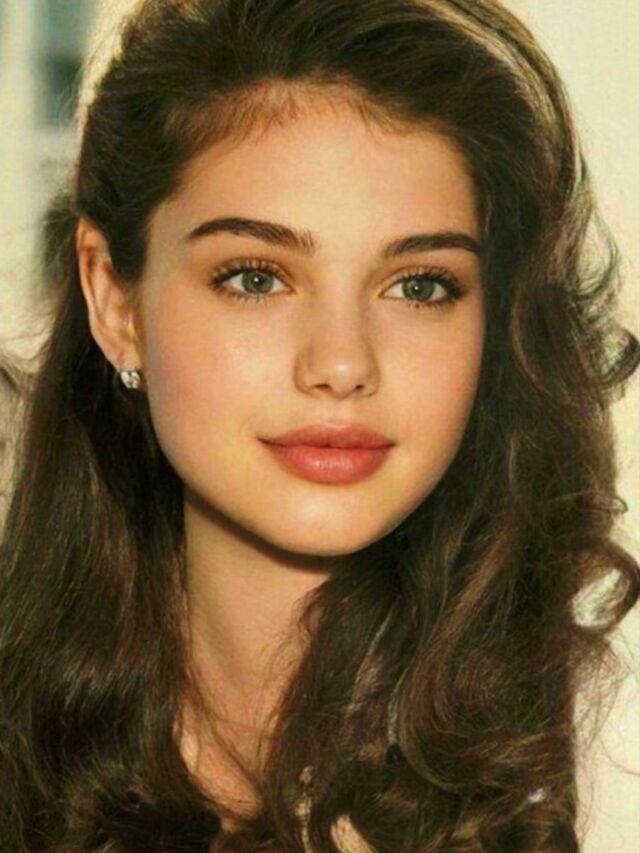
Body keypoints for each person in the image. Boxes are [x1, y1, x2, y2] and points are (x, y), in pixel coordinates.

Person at [0, 0, 638, 850]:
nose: (341, 363)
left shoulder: (609, 765)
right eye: (255, 277)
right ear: (115, 300)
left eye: (419, 286)